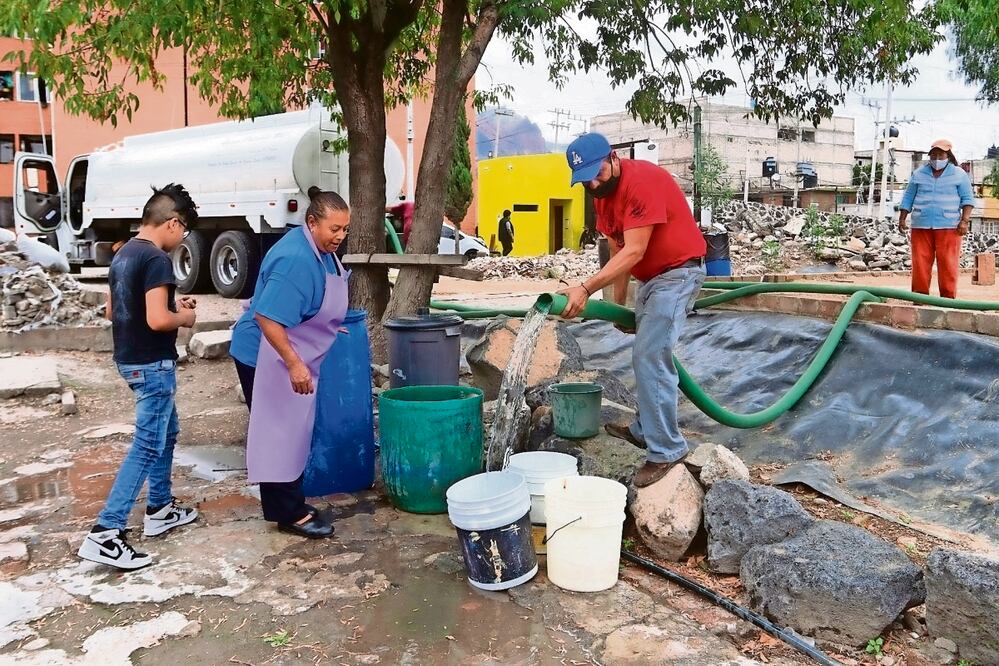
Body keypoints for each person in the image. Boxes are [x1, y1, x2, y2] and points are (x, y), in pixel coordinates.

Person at [560, 133, 706, 488]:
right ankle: (644, 429)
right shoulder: (602, 196)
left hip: (678, 273)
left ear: (613, 158)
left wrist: (585, 288)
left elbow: (635, 250)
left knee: (651, 355)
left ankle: (667, 450)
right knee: (644, 354)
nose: (593, 184)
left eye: (597, 174)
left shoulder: (642, 180)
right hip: (651, 280)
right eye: (585, 180)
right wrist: (616, 305)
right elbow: (616, 248)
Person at [77, 184, 200, 570]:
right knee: (148, 443)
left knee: (167, 431)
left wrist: (170, 304)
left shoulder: (124, 254)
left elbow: (114, 311)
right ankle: (106, 532)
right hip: (153, 365)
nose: (183, 239)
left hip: (129, 359)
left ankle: (160, 508)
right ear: (174, 223)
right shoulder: (158, 259)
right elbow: (158, 320)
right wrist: (185, 317)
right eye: (185, 231)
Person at [229, 186, 350, 539]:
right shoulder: (296, 259)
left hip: (288, 346)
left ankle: (290, 502)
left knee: (293, 431)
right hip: (265, 353)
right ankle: (288, 513)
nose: (340, 236)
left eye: (344, 229)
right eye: (334, 229)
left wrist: (326, 326)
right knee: (278, 433)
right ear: (312, 222)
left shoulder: (321, 251)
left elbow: (311, 302)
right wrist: (295, 364)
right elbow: (268, 317)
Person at [898, 139, 975, 299]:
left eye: (940, 155)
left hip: (949, 226)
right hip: (921, 225)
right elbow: (908, 197)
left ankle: (947, 300)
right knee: (920, 263)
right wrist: (902, 218)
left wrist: (964, 221)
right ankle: (919, 298)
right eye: (934, 155)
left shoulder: (959, 174)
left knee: (948, 264)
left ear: (948, 155)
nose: (937, 158)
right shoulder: (918, 173)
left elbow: (968, 199)